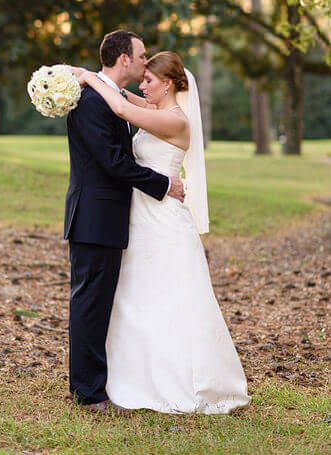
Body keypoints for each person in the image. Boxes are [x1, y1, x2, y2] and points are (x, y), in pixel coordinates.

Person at [73, 51, 249, 414]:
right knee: (137, 298)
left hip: (165, 222)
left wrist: (90, 77)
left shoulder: (176, 122)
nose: (143, 84)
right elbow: (124, 99)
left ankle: (181, 379)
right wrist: (100, 84)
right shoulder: (156, 112)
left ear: (167, 83)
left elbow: (122, 110)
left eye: (149, 80)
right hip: (140, 219)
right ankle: (132, 374)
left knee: (171, 296)